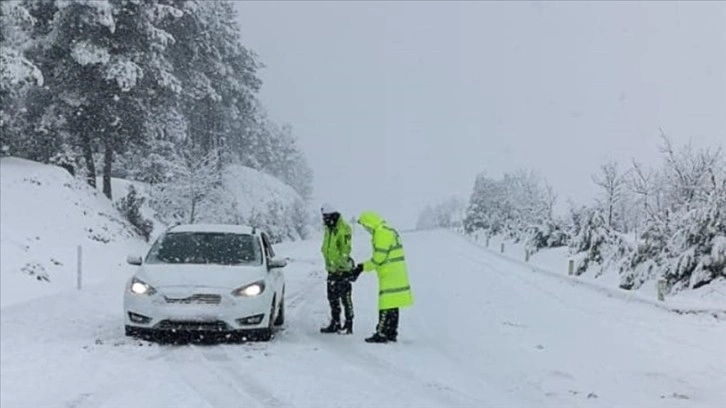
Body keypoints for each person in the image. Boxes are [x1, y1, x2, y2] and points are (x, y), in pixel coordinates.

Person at [350, 211, 413, 343]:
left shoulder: (381, 233)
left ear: (370, 223)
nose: (366, 229)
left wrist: (361, 267)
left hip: (389, 273)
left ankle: (382, 333)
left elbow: (378, 258)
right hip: (395, 272)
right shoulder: (388, 230)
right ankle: (391, 331)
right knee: (393, 302)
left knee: (386, 302)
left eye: (365, 226)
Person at [319, 204, 355, 334]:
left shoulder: (344, 228)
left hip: (342, 270)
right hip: (332, 270)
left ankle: (349, 323)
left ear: (332, 216)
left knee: (346, 298)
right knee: (332, 298)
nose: (324, 220)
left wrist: (341, 266)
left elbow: (345, 250)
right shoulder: (329, 229)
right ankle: (335, 322)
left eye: (326, 217)